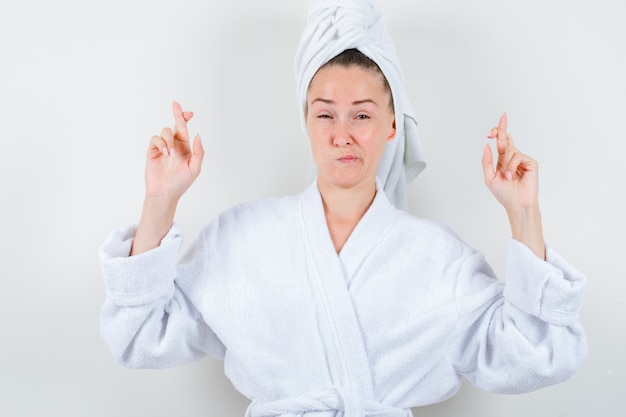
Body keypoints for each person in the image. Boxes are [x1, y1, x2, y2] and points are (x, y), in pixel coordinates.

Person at [99, 1, 587, 416]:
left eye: (362, 115)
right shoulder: (239, 239)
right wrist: (160, 200)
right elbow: (138, 335)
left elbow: (539, 354)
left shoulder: (440, 260)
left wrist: (524, 214)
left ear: (393, 125)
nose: (342, 135)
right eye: (325, 113)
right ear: (306, 120)